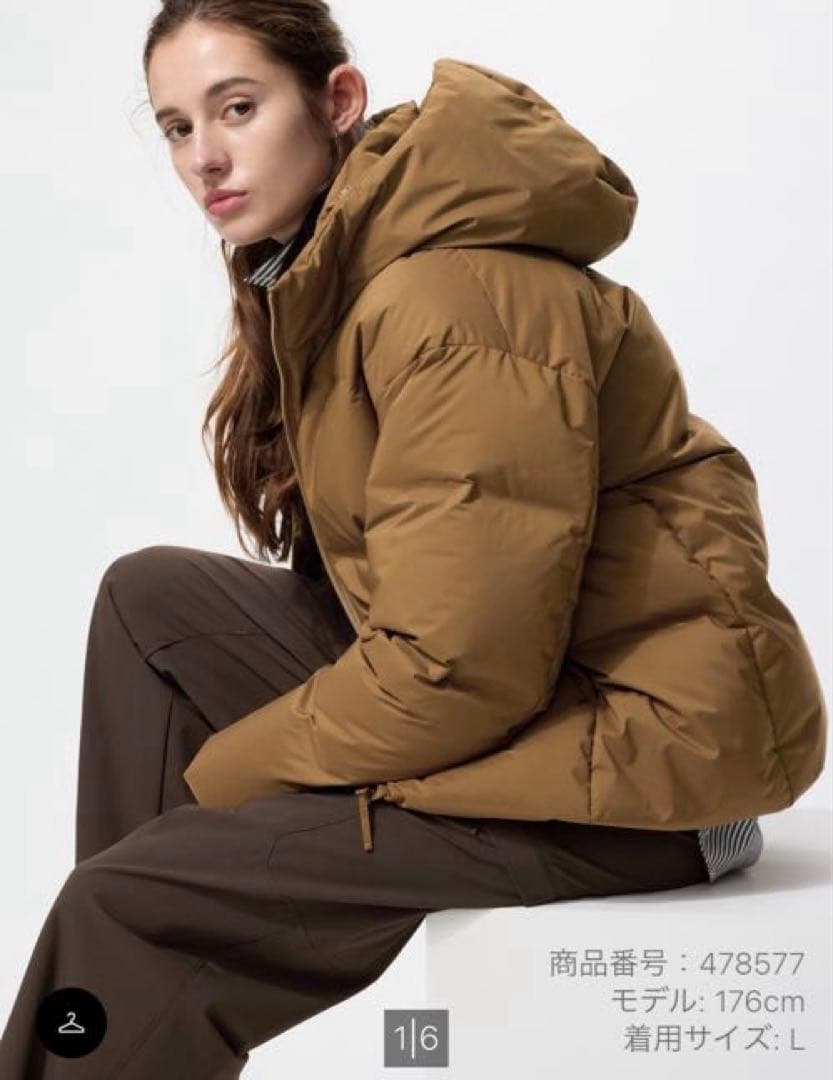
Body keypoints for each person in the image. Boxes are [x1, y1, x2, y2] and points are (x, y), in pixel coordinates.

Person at [1, 1, 827, 1076]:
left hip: (639, 775)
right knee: (149, 602)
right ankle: (134, 1027)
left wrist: (222, 780)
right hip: (541, 691)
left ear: (337, 101)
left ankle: (135, 968)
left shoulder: (448, 301)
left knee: (126, 900)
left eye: (237, 108)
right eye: (176, 126)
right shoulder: (335, 272)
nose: (205, 157)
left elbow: (459, 671)